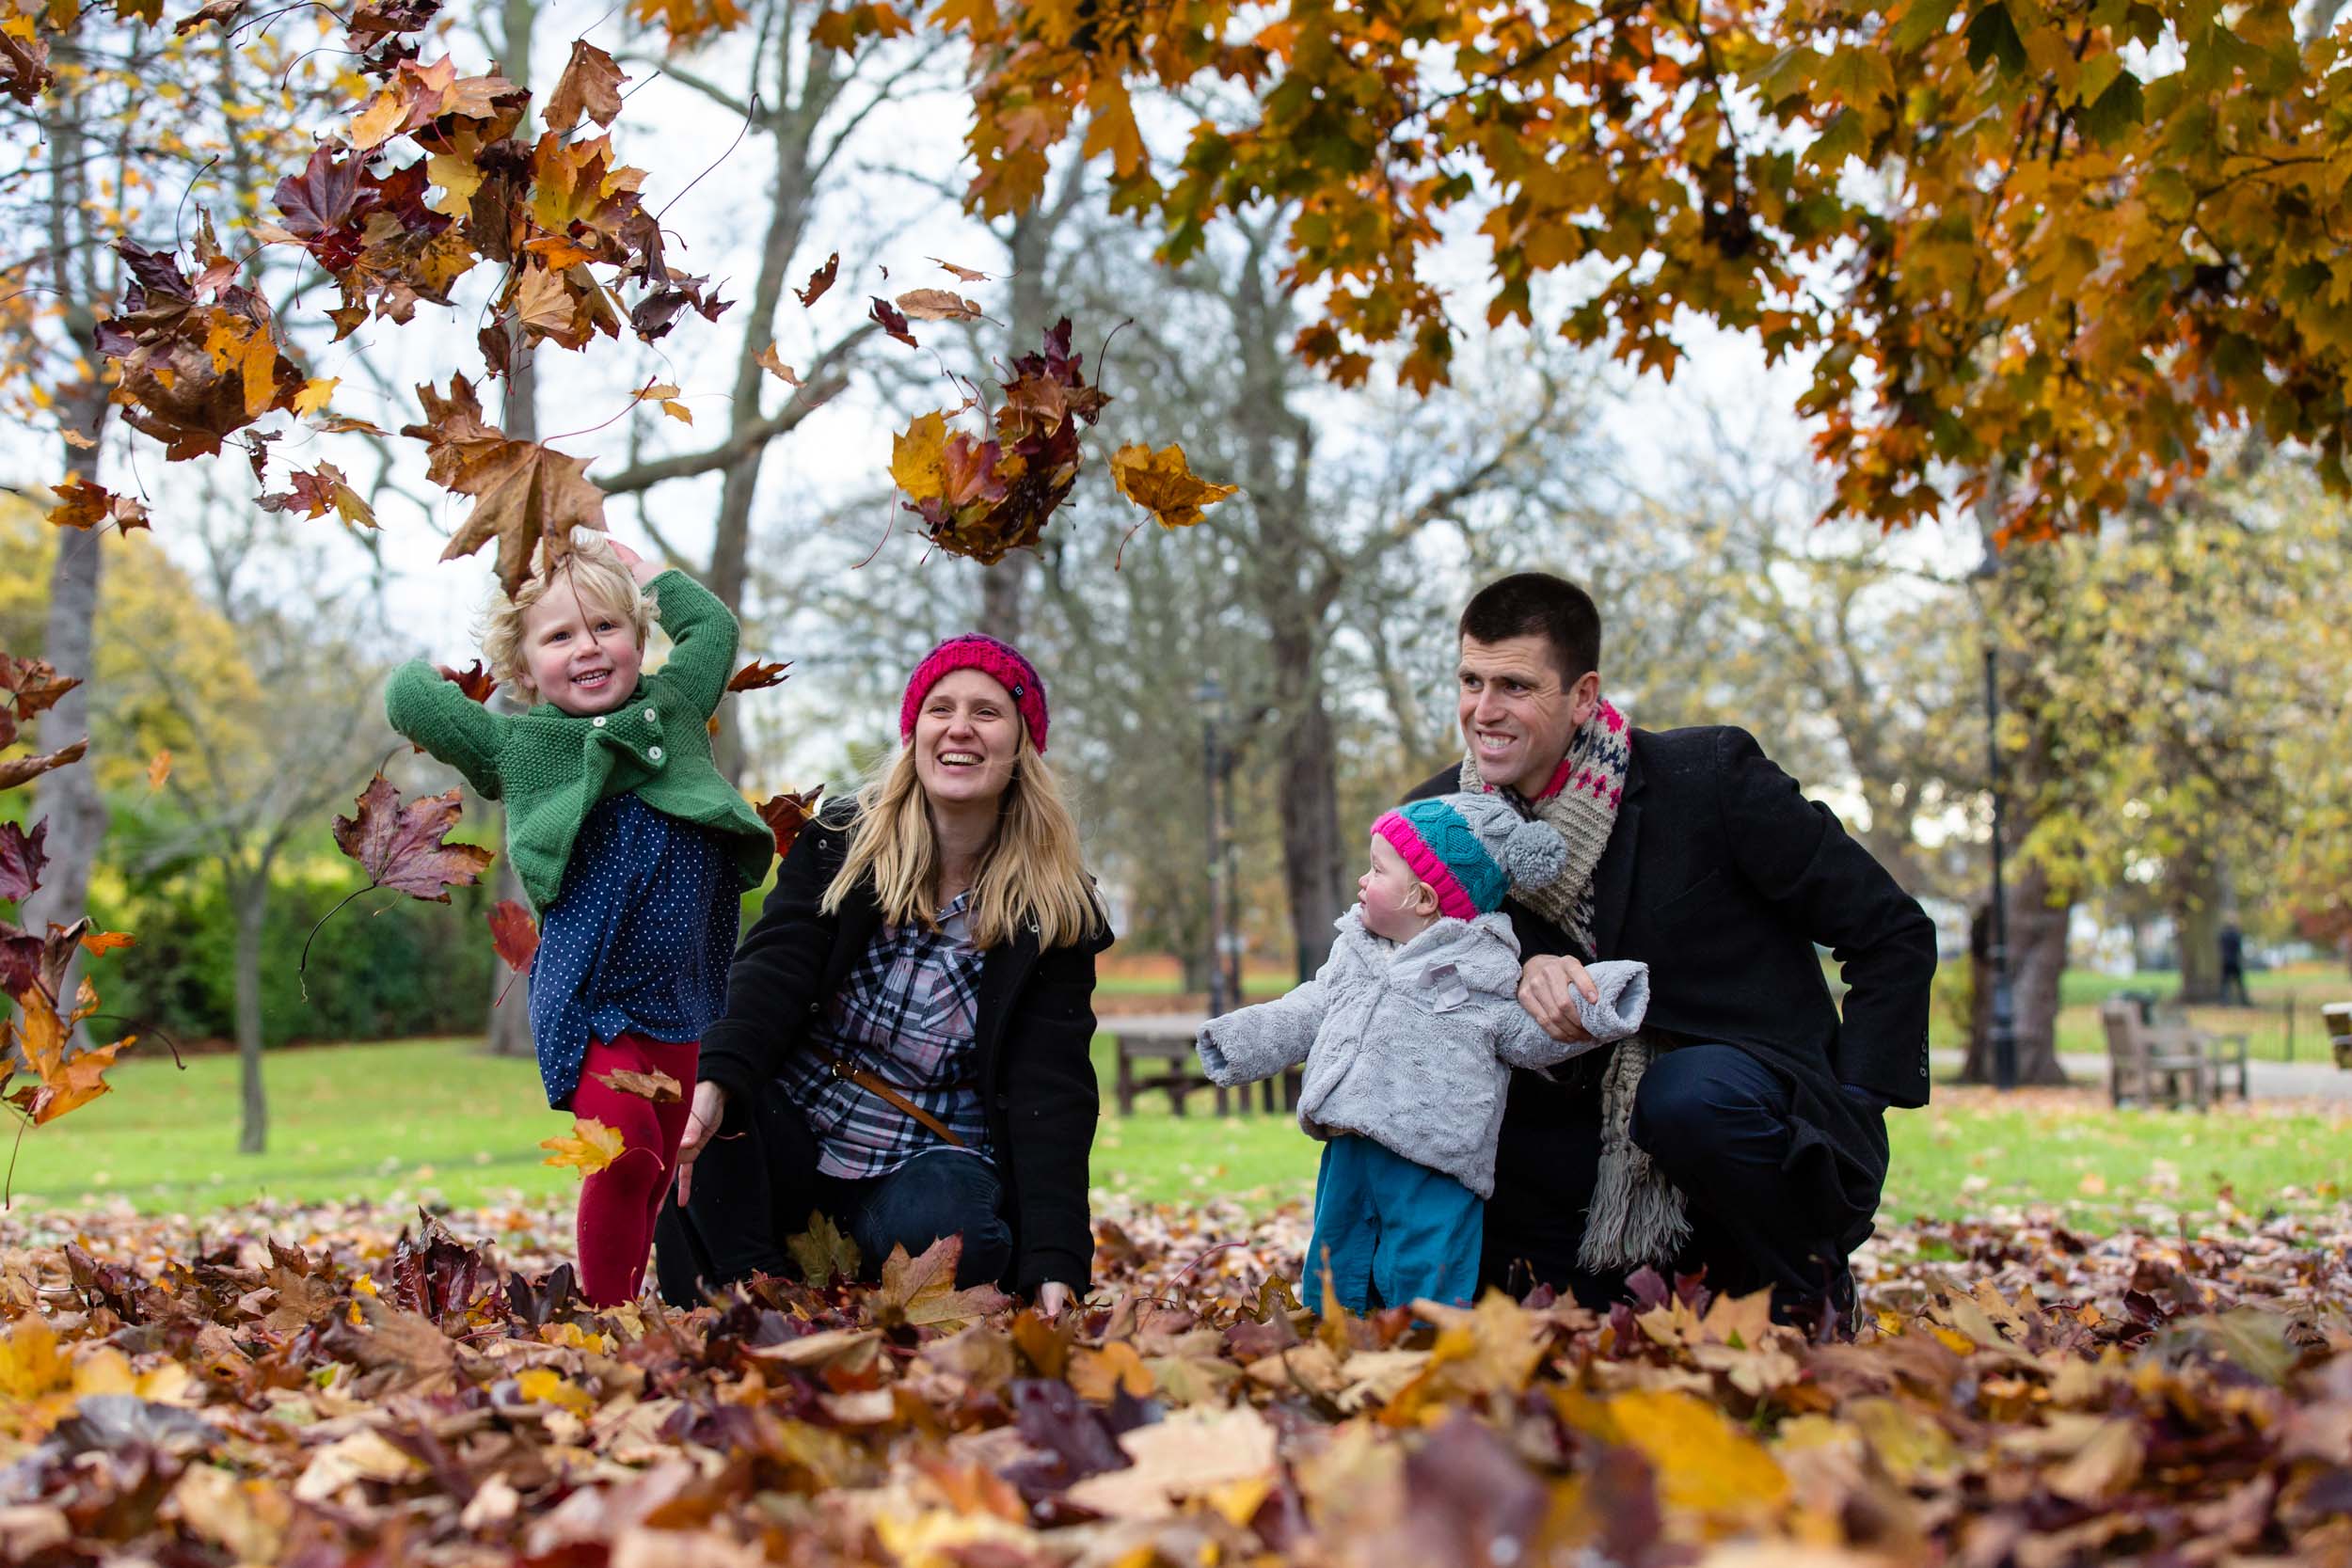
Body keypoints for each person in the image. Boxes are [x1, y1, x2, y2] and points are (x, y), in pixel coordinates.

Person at [1408, 571, 1938, 1331]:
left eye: (1515, 686)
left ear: (1584, 695)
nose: (1483, 711)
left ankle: (1811, 1283)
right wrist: (1514, 966)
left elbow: (1892, 932)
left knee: (1690, 1094)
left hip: (1731, 1128)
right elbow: (1388, 993)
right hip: (1561, 1172)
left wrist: (1855, 1108)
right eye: (1470, 680)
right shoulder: (1429, 828)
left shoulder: (1709, 781)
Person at [656, 634, 1108, 1315]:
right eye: (940, 708)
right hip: (797, 1139)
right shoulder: (842, 841)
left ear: (1021, 746)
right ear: (914, 732)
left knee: (965, 1224)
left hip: (917, 1171)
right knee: (711, 1108)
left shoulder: (1053, 907)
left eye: (986, 712)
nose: (959, 727)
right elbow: (770, 970)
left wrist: (1057, 1262)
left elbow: (1054, 1090)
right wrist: (714, 1083)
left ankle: (859, 1292)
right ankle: (767, 1301)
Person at [386, 535, 774, 1307]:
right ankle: (604, 1319)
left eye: (606, 627)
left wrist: (642, 575)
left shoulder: (674, 703)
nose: (588, 647)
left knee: (658, 1163)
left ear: (636, 638)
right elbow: (409, 696)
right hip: (592, 995)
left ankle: (627, 1306)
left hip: (680, 992)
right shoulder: (522, 746)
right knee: (625, 1151)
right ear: (526, 667)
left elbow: (714, 630)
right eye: (560, 636)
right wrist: (455, 669)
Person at [1196, 794, 1648, 1312]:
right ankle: (1332, 1353)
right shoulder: (1355, 953)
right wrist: (1241, 1039)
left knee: (1425, 1273)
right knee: (1335, 1263)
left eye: (1377, 870)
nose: (1363, 881)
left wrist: (1601, 997)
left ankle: (1425, 1358)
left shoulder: (1481, 976)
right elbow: (1309, 1007)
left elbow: (1527, 1031)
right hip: (1349, 1149)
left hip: (1436, 1160)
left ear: (1424, 899)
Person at [2218, 923, 2251, 1006]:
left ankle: (2224, 1001)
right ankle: (2244, 1001)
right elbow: (2239, 949)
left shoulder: (2223, 936)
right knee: (2240, 983)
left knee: (2225, 984)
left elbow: (2220, 947)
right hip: (2235, 962)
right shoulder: (2236, 936)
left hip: (2226, 962)